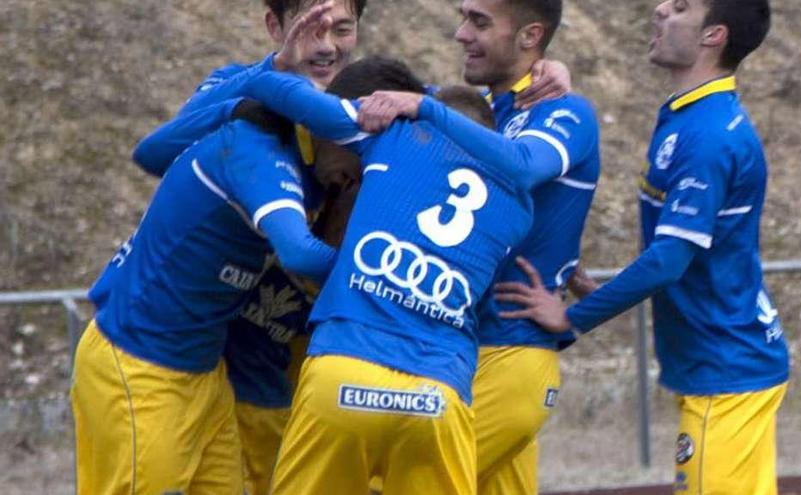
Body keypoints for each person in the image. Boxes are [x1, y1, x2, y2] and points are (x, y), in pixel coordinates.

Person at [234, 54, 590, 494]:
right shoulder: (520, 209)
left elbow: (277, 91)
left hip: (345, 369)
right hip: (437, 394)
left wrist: (280, 62)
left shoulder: (395, 138)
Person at [494, 1, 789, 494]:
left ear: (713, 36)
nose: (658, 10)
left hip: (726, 371)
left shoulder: (708, 135)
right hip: (732, 364)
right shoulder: (691, 116)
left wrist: (571, 318)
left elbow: (669, 260)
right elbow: (686, 252)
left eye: (680, 7)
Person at [358, 1, 601, 493]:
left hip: (511, 355)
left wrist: (583, 314)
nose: (460, 33)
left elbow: (526, 165)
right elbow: (365, 97)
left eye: (480, 22)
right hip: (467, 350)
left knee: (399, 484)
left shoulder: (565, 110)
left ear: (530, 35)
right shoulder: (484, 111)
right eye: (463, 16)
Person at [71, 66, 339, 495]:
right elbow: (299, 253)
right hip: (143, 367)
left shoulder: (301, 158)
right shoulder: (259, 153)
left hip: (205, 373)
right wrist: (377, 272)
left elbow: (152, 150)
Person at [129, 3, 362, 493]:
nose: (326, 45)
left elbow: (452, 114)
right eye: (310, 28)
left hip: (289, 383)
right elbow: (153, 153)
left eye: (342, 29)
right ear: (275, 27)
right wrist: (271, 74)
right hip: (191, 363)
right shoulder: (245, 100)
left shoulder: (367, 111)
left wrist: (536, 76)